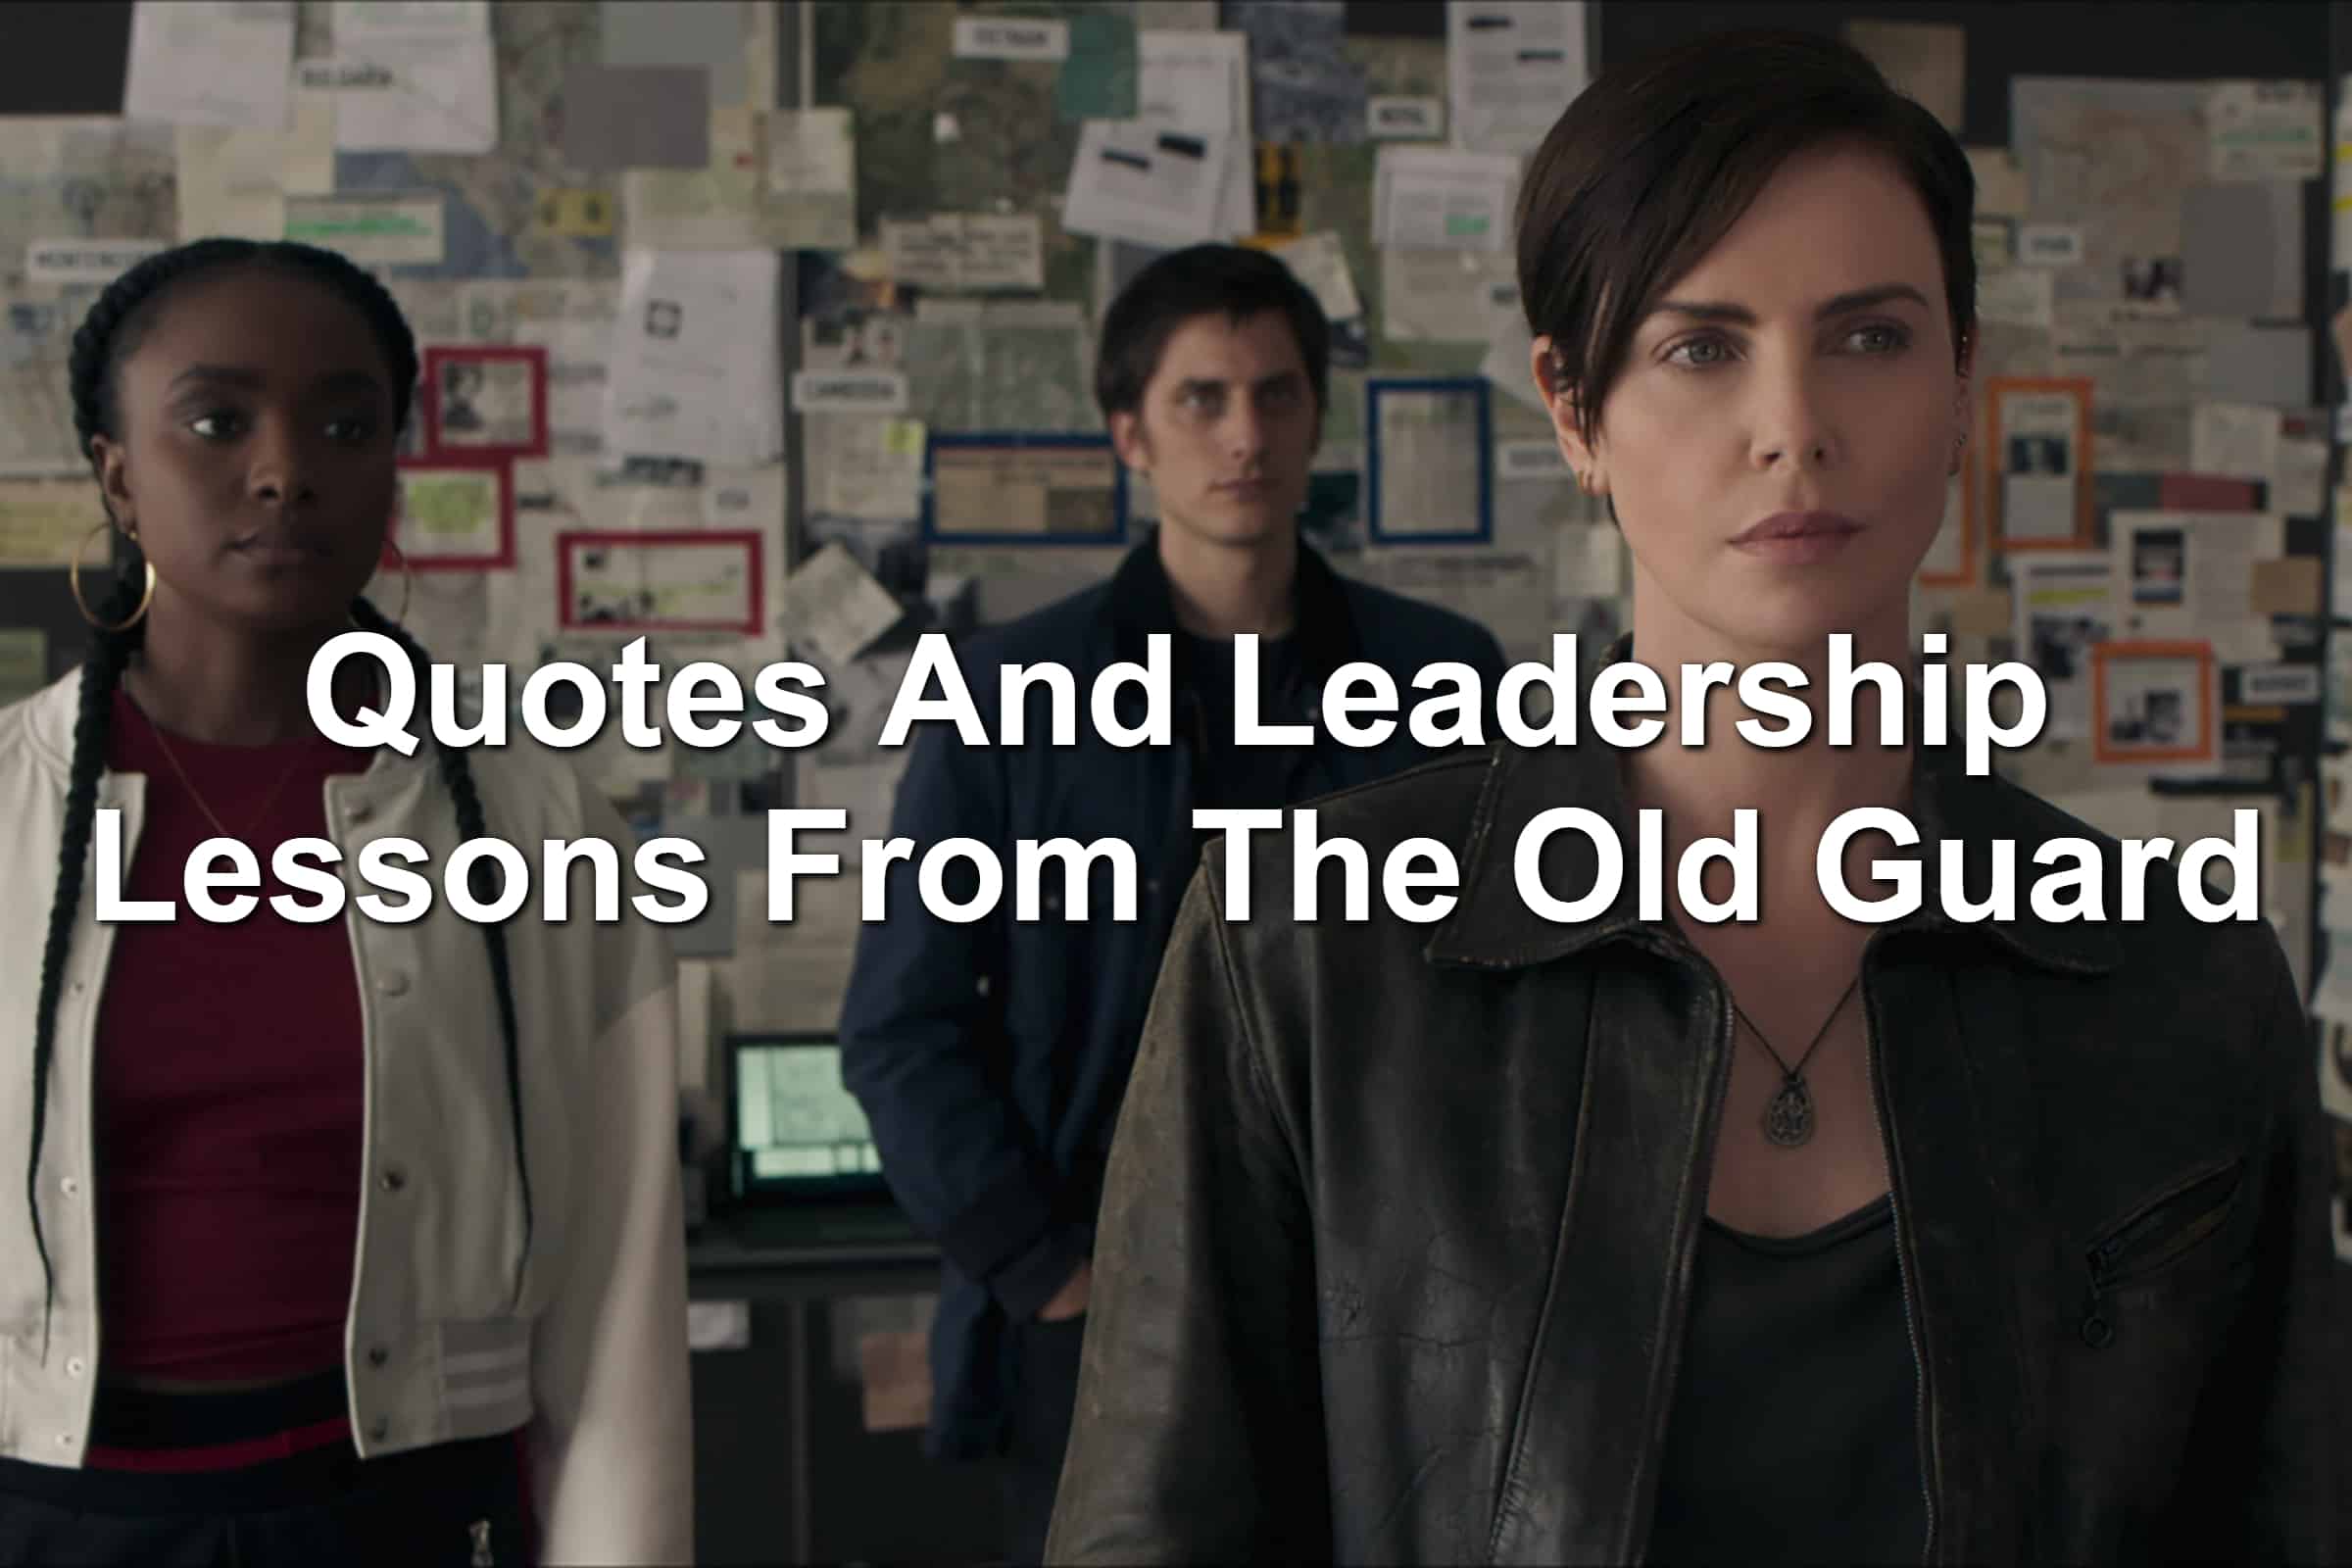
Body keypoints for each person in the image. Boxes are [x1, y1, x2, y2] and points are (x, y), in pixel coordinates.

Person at [1045, 32, 2348, 1567]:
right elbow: (1157, 1528)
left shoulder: (2182, 977)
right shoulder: (1304, 944)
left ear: (1962, 386)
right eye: (1699, 346)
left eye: (1869, 338)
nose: (1792, 424)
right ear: (1573, 410)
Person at [0, 238, 692, 1564]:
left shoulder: (540, 829)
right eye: (215, 420)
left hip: (405, 1518)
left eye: (344, 422)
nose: (284, 467)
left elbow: (618, 1328)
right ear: (116, 476)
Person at [837, 241, 1507, 1564]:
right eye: (1203, 398)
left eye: (1276, 395)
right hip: (1097, 1309)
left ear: (1317, 416)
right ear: (1130, 433)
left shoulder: (1446, 676)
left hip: (1383, 1306)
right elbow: (900, 1031)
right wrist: (1047, 1276)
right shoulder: (1002, 689)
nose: (1245, 435)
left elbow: (1510, 993)